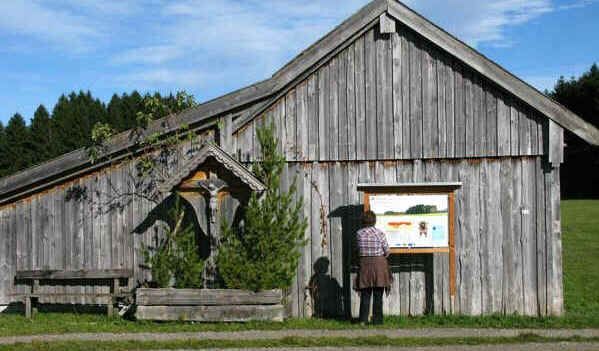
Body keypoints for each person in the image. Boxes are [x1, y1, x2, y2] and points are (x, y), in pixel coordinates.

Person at [355, 210, 392, 325]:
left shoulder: (359, 234)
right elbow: (387, 251)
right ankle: (378, 321)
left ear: (363, 221)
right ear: (374, 221)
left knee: (365, 294)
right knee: (378, 294)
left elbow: (357, 249)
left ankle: (363, 320)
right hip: (379, 266)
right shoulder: (379, 233)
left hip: (365, 265)